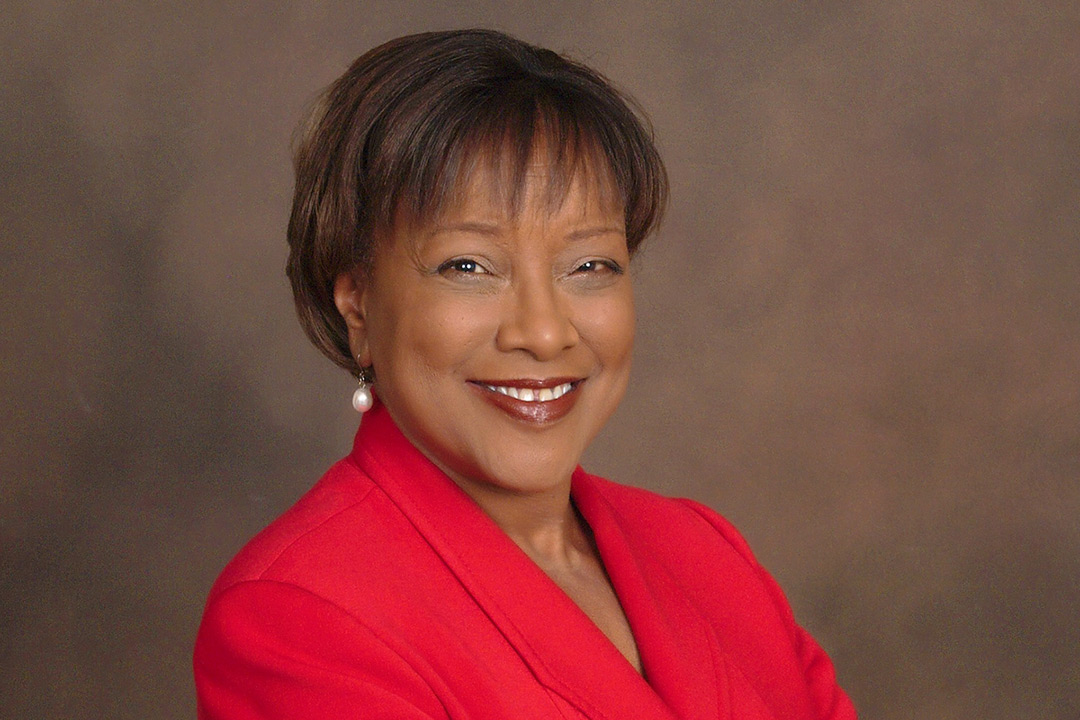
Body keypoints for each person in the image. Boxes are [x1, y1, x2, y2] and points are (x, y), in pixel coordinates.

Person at [193, 29, 857, 720]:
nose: (543, 332)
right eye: (469, 266)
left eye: (590, 266)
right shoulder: (300, 616)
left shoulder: (704, 554)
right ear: (358, 303)